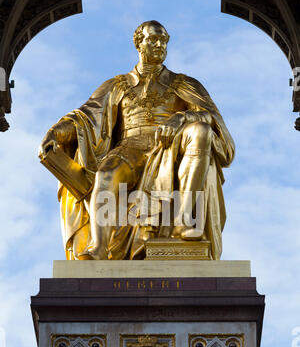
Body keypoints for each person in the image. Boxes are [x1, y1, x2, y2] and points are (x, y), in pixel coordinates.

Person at [39, 20, 235, 261]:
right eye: (153, 39)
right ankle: (99, 247)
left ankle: (184, 221)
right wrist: (56, 133)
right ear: (138, 43)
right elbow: (86, 117)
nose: (159, 45)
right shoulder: (116, 85)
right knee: (107, 174)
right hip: (128, 149)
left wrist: (182, 117)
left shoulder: (184, 84)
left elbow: (212, 118)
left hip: (169, 148)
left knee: (201, 132)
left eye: (163, 40)